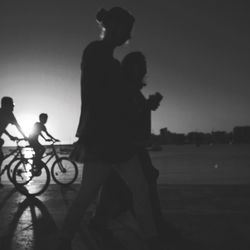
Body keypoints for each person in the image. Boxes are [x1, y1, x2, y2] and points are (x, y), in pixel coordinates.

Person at [56, 7, 161, 250]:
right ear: (111, 27)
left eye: (128, 31)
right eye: (124, 28)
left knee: (138, 189)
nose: (126, 34)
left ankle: (151, 237)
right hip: (102, 139)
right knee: (89, 195)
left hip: (116, 140)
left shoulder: (110, 62)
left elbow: (120, 100)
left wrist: (145, 105)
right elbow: (104, 96)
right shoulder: (96, 53)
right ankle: (64, 239)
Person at [90, 51, 164, 247]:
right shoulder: (124, 88)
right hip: (126, 146)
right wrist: (146, 106)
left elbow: (134, 113)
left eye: (143, 67)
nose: (142, 71)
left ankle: (102, 220)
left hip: (129, 145)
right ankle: (153, 229)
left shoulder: (131, 89)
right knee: (142, 183)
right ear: (130, 68)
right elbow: (124, 115)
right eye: (139, 67)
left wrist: (148, 105)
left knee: (115, 184)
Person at [0, 96, 27, 188]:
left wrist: (10, 136)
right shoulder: (8, 114)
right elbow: (18, 126)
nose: (13, 106)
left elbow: (2, 128)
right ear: (6, 105)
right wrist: (26, 137)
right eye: (12, 104)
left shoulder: (4, 113)